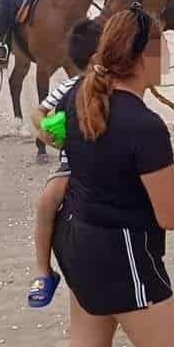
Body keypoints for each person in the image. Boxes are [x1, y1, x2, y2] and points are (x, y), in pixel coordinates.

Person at [51, 5, 174, 347]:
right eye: (162, 47)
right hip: (122, 255)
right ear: (141, 58)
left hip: (78, 243)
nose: (166, 56)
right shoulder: (145, 126)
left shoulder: (80, 97)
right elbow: (170, 216)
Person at [26, 18, 103, 308]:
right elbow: (39, 112)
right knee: (46, 202)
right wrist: (48, 132)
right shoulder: (69, 86)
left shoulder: (117, 86)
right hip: (73, 161)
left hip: (108, 159)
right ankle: (44, 271)